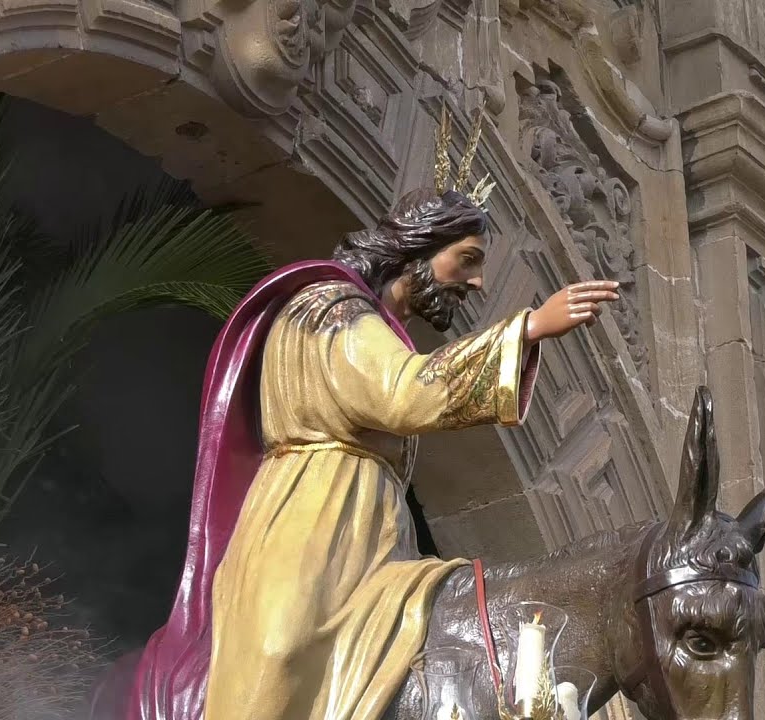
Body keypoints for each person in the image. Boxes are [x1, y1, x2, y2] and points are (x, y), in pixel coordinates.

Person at [122, 106, 618, 720]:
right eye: (467, 259)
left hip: (376, 539)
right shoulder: (329, 308)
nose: (480, 283)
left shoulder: (377, 327)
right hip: (310, 526)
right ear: (416, 250)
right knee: (280, 657)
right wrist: (531, 326)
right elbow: (403, 393)